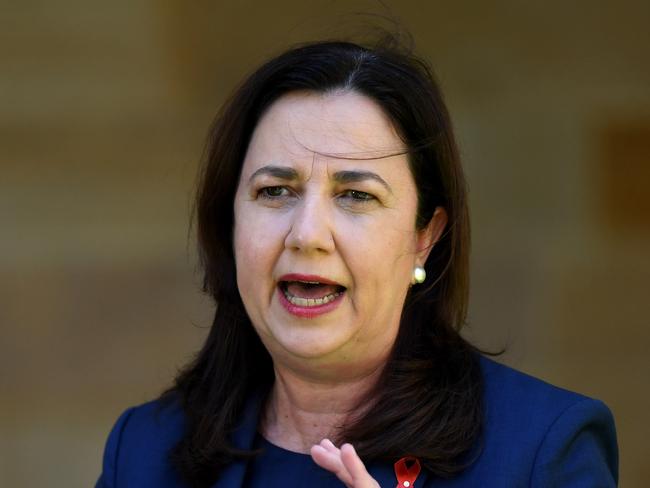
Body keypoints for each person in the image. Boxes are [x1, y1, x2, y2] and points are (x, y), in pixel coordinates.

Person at [96, 39, 618, 488]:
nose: (306, 235)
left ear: (424, 237)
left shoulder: (541, 449)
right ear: (230, 221)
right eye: (275, 191)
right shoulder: (144, 452)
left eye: (356, 196)